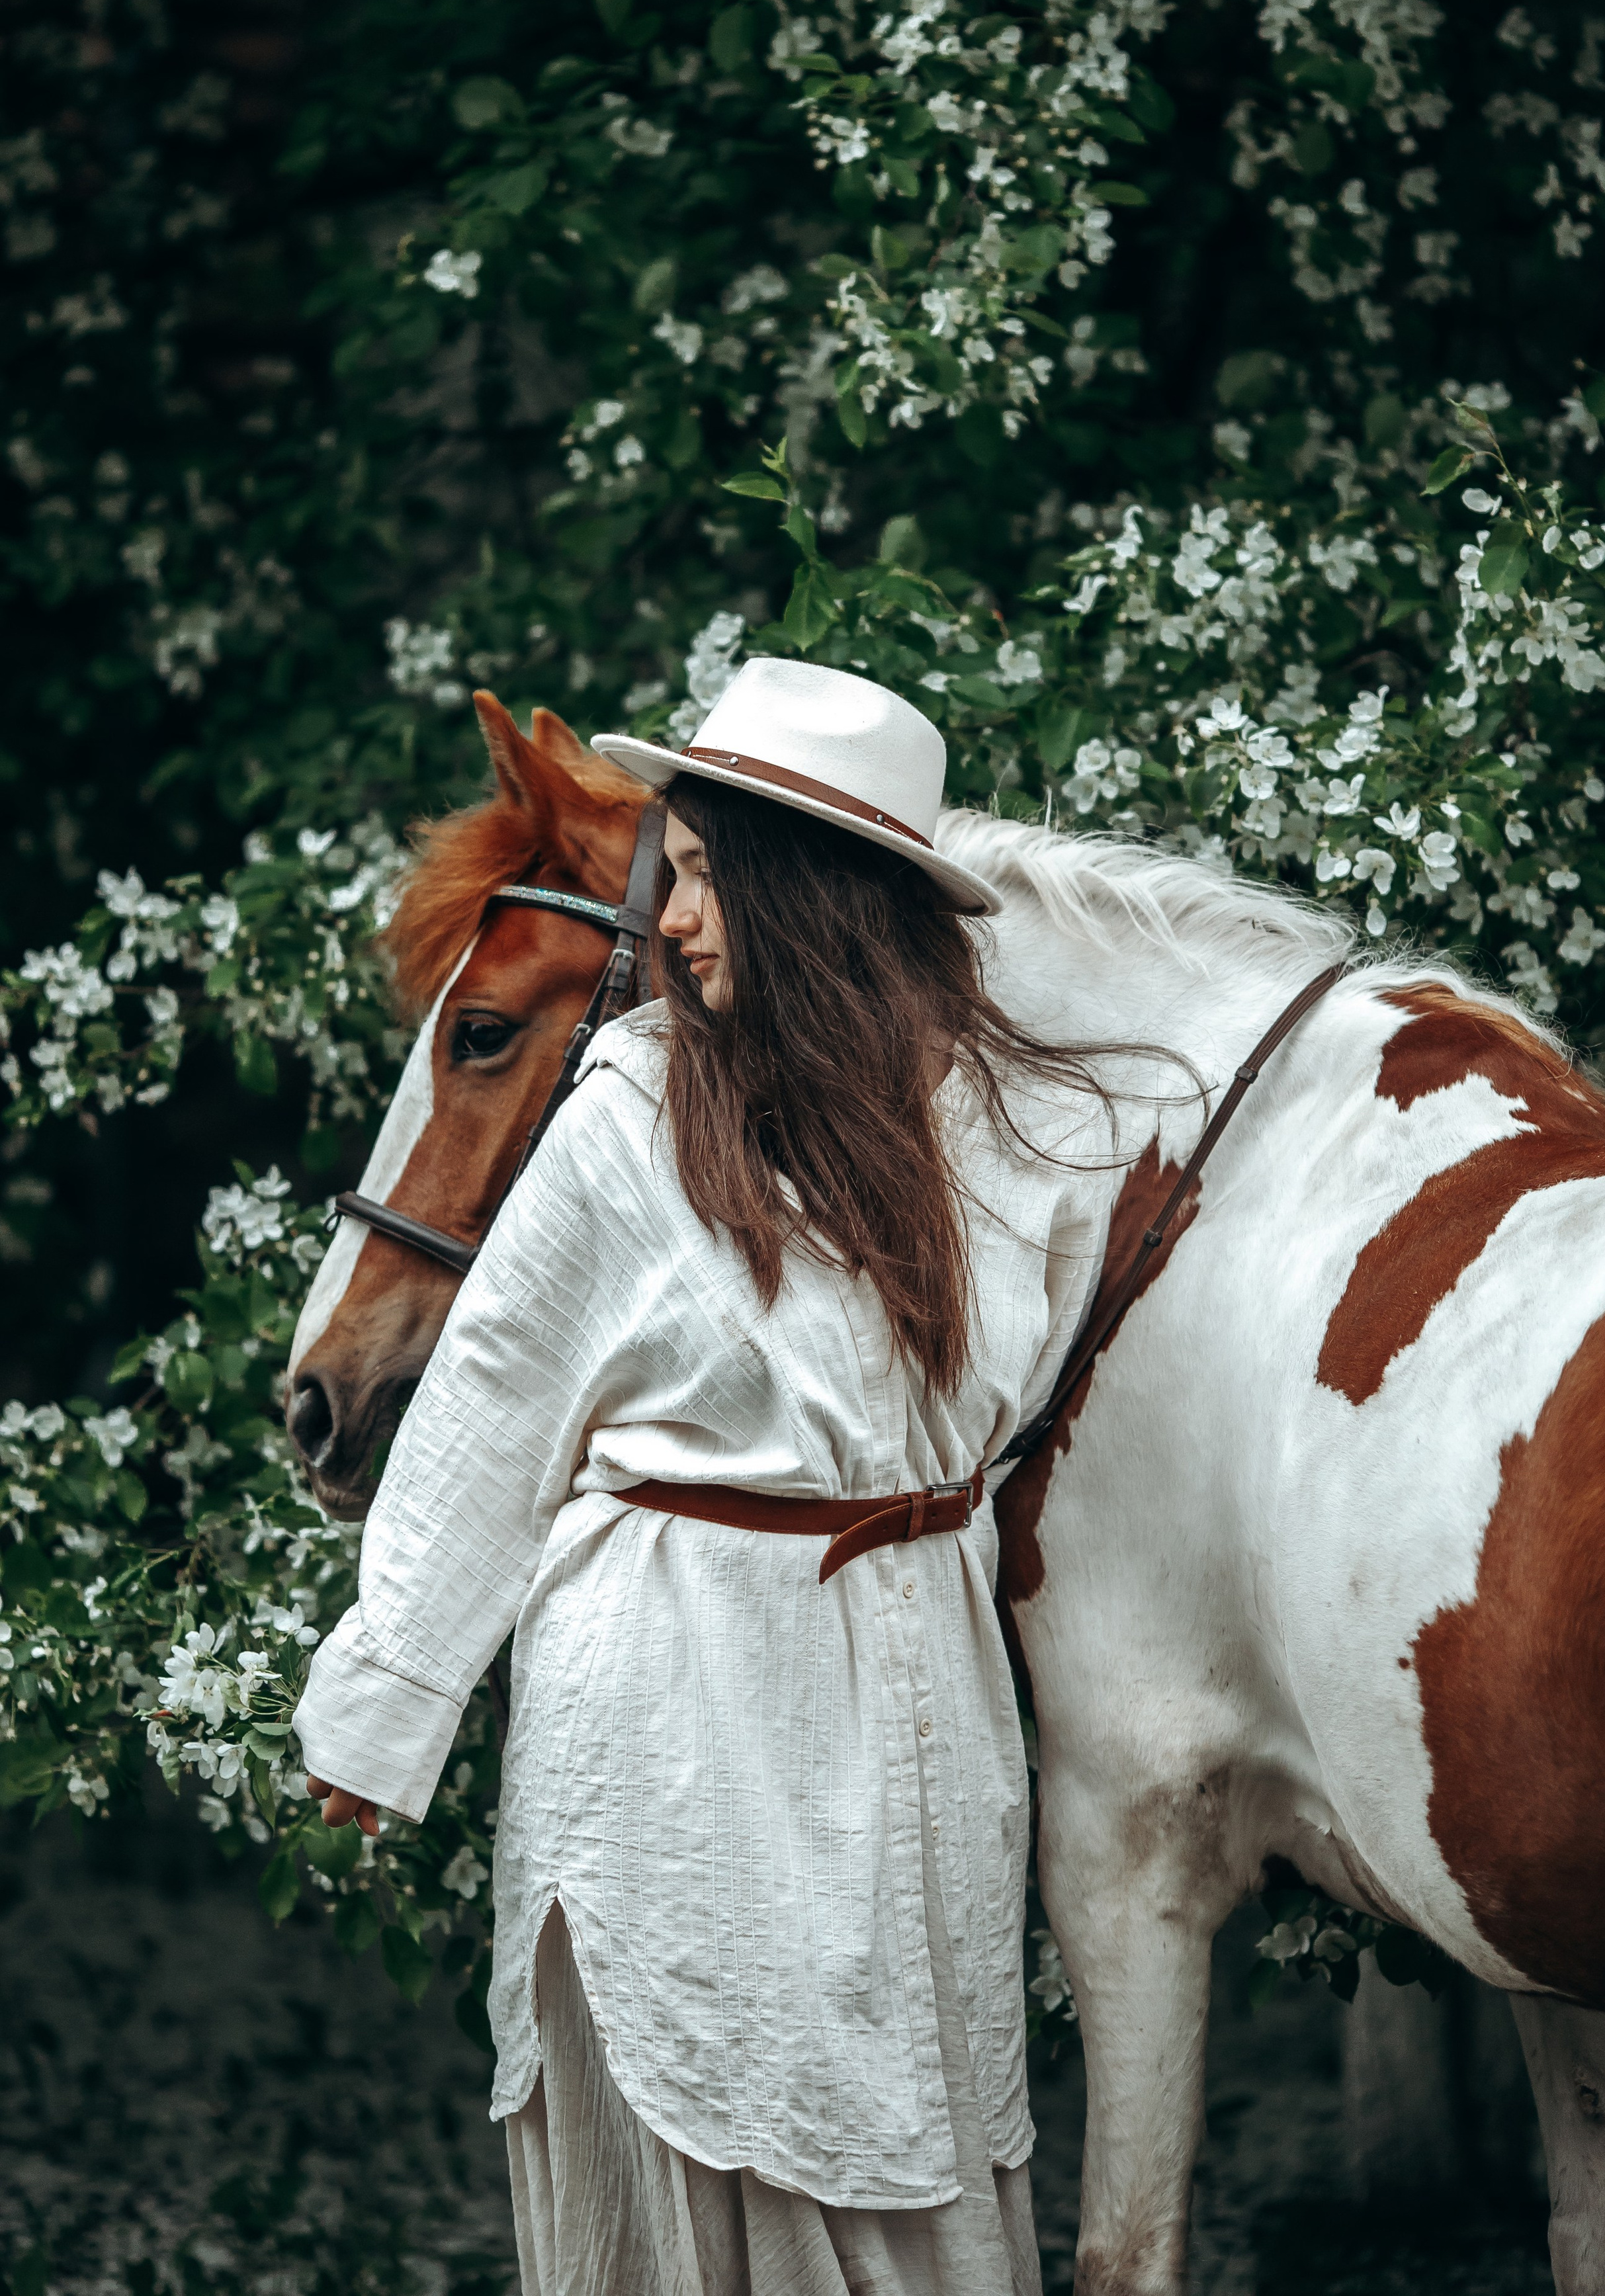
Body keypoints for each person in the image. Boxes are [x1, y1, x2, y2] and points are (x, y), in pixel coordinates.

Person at [293, 658, 1130, 2296]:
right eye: (669, 869)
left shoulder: (1001, 1127)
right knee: (685, 2121)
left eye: (701, 874)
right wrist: (386, 1698)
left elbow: (1029, 1410)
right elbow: (487, 1408)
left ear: (814, 896)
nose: (669, 919)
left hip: (913, 1680)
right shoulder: (627, 1115)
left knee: (911, 2122)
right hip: (672, 1688)